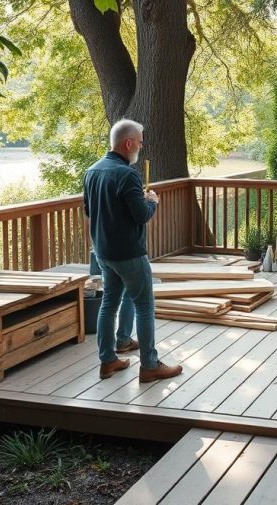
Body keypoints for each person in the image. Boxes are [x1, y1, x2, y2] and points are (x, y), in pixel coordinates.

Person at [83, 119, 183, 382]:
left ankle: (108, 361)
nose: (140, 146)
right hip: (129, 253)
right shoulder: (127, 174)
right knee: (144, 306)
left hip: (103, 252)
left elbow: (88, 211)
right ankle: (150, 366)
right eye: (139, 142)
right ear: (128, 143)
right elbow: (141, 216)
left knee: (108, 304)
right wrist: (151, 201)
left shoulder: (91, 171)